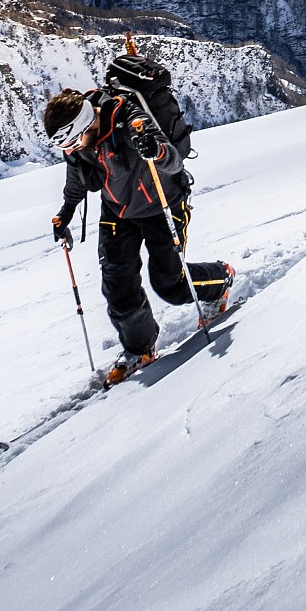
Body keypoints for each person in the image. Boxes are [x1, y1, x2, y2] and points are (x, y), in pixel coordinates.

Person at [48, 49, 236, 385]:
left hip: (162, 203)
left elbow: (174, 162)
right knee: (118, 287)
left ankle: (220, 280)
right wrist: (65, 215)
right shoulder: (78, 147)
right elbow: (76, 181)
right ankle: (140, 349)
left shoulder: (128, 119)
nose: (72, 149)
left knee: (171, 284)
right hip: (117, 211)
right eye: (67, 146)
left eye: (73, 141)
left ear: (85, 124)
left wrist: (156, 149)